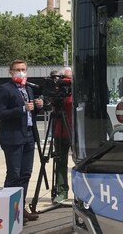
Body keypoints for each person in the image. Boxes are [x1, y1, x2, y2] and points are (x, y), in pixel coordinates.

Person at [0, 60, 44, 224]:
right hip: (12, 137)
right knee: (14, 175)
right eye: (18, 70)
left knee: (25, 174)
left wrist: (38, 106)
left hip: (28, 135)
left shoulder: (28, 88)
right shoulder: (4, 89)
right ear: (11, 72)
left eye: (24, 69)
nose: (21, 72)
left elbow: (31, 112)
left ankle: (20, 208)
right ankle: (10, 210)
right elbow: (0, 113)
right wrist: (22, 109)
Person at [52, 67, 72, 204]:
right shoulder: (57, 91)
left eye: (69, 80)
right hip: (60, 131)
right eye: (63, 80)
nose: (66, 83)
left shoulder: (78, 91)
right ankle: (61, 191)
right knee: (60, 162)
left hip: (76, 131)